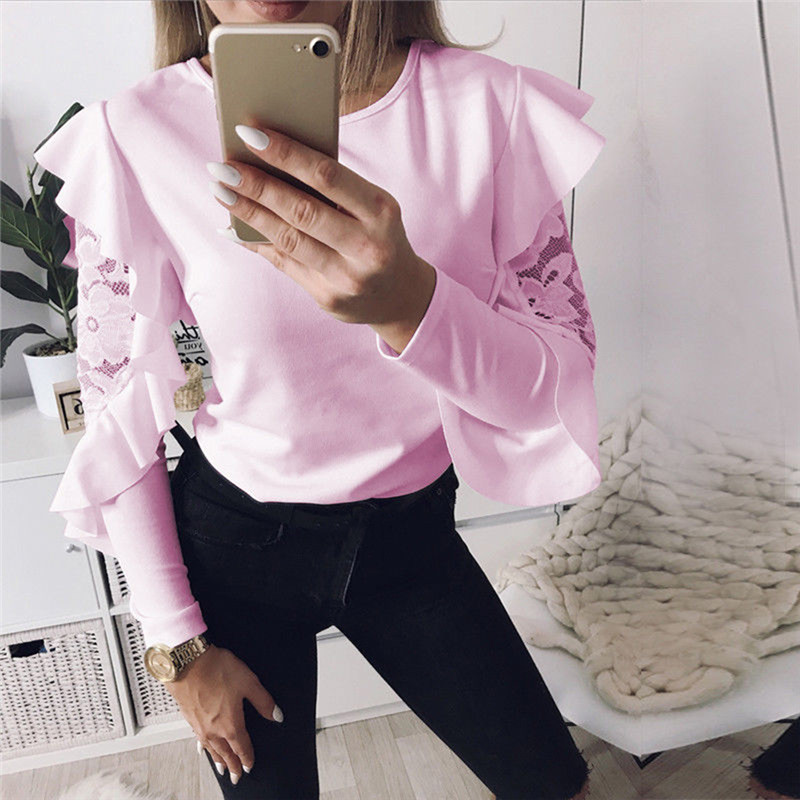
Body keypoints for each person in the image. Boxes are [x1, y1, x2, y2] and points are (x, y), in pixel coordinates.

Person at [34, 1, 605, 797]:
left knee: (553, 785)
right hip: (234, 545)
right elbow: (118, 412)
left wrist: (412, 305)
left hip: (411, 542)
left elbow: (555, 393)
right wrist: (177, 648)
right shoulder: (135, 132)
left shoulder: (492, 108)